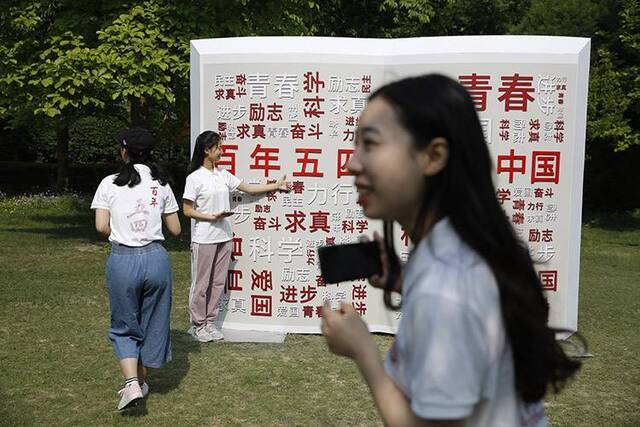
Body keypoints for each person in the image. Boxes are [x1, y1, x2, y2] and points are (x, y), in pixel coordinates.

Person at [321, 74, 581, 426]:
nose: (352, 164)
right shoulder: (460, 249)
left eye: (370, 144)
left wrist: (363, 349)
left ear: (433, 156)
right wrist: (401, 281)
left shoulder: (444, 287)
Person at [91, 127, 181, 410]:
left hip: (123, 259)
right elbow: (176, 229)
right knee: (154, 323)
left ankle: (132, 384)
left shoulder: (109, 183)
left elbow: (101, 227)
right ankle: (139, 382)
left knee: (124, 324)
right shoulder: (162, 183)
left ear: (124, 152)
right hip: (156, 258)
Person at [182, 130, 290, 342]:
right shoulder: (194, 178)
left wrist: (275, 186)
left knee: (218, 282)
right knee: (201, 283)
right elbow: (187, 210)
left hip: (224, 236)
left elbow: (248, 188)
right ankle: (198, 324)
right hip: (204, 237)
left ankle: (210, 322)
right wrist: (209, 217)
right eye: (218, 147)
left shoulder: (223, 174)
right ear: (206, 150)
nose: (221, 151)